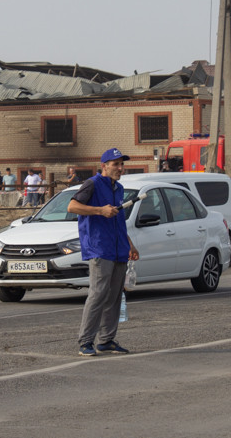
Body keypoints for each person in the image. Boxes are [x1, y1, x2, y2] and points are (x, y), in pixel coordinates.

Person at [67, 148, 140, 356]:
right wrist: (100, 210)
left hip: (119, 248)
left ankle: (106, 340)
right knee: (98, 294)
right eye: (115, 164)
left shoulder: (119, 188)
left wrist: (130, 244)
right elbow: (72, 206)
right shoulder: (92, 184)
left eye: (122, 164)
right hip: (100, 247)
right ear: (104, 166)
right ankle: (86, 341)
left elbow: (117, 219)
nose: (120, 168)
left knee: (116, 295)